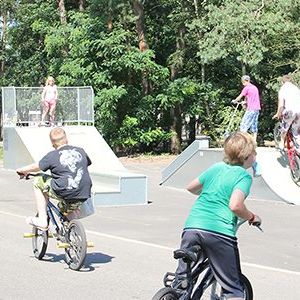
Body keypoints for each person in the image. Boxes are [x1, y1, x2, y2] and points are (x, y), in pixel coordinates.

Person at [174, 132, 261, 300]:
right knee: (233, 289)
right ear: (246, 156)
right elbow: (235, 205)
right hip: (219, 232)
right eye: (254, 153)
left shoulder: (216, 168)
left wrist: (210, 189)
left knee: (183, 278)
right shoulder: (243, 176)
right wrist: (251, 216)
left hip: (192, 227)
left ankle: (176, 292)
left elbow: (191, 188)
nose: (255, 156)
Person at [16, 127, 92, 230]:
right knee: (64, 207)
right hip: (84, 192)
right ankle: (73, 231)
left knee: (38, 181)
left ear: (53, 144)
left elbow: (37, 166)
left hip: (65, 191)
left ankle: (42, 220)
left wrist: (22, 170)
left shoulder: (52, 156)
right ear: (66, 139)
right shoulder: (81, 151)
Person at [272, 74, 300, 149]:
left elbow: (281, 105)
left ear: (282, 82)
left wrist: (278, 114)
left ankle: (281, 142)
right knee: (296, 132)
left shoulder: (283, 89)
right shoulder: (296, 88)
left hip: (290, 111)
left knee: (284, 128)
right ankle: (298, 148)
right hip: (299, 111)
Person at [234, 75, 261, 144]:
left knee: (243, 125)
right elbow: (252, 98)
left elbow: (240, 96)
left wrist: (235, 101)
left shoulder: (247, 88)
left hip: (251, 109)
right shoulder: (255, 88)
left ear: (245, 81)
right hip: (257, 109)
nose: (243, 84)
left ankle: (243, 142)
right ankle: (254, 141)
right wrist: (245, 102)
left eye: (243, 82)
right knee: (254, 125)